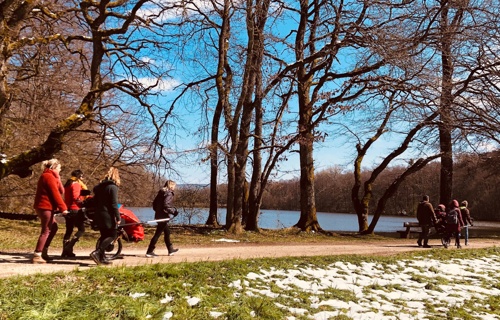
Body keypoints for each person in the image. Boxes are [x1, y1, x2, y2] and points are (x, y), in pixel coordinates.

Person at [32, 159, 69, 263]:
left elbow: (61, 190)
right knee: (46, 230)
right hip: (44, 207)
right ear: (54, 167)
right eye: (59, 168)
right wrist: (63, 208)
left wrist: (58, 178)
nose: (60, 170)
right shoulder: (47, 176)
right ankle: (37, 254)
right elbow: (55, 194)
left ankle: (43, 250)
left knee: (54, 227)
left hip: (47, 207)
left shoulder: (52, 177)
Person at [90, 167, 121, 265]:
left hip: (99, 213)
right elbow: (114, 204)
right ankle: (97, 252)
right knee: (113, 235)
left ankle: (101, 258)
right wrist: (118, 216)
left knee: (104, 235)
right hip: (108, 214)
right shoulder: (113, 187)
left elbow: (94, 201)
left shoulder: (99, 187)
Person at [146, 180, 179, 257]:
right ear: (171, 186)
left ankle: (170, 250)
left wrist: (158, 211)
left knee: (167, 232)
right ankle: (149, 251)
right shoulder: (169, 193)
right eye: (174, 186)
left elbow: (154, 204)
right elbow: (166, 205)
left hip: (159, 215)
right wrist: (174, 212)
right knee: (158, 234)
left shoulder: (160, 193)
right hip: (163, 217)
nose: (174, 188)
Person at [61, 170, 88, 258]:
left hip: (68, 209)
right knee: (81, 229)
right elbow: (75, 197)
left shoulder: (68, 184)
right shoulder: (75, 184)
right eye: (82, 176)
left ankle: (65, 251)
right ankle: (69, 247)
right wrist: (83, 202)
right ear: (79, 176)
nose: (82, 178)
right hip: (75, 209)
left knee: (69, 230)